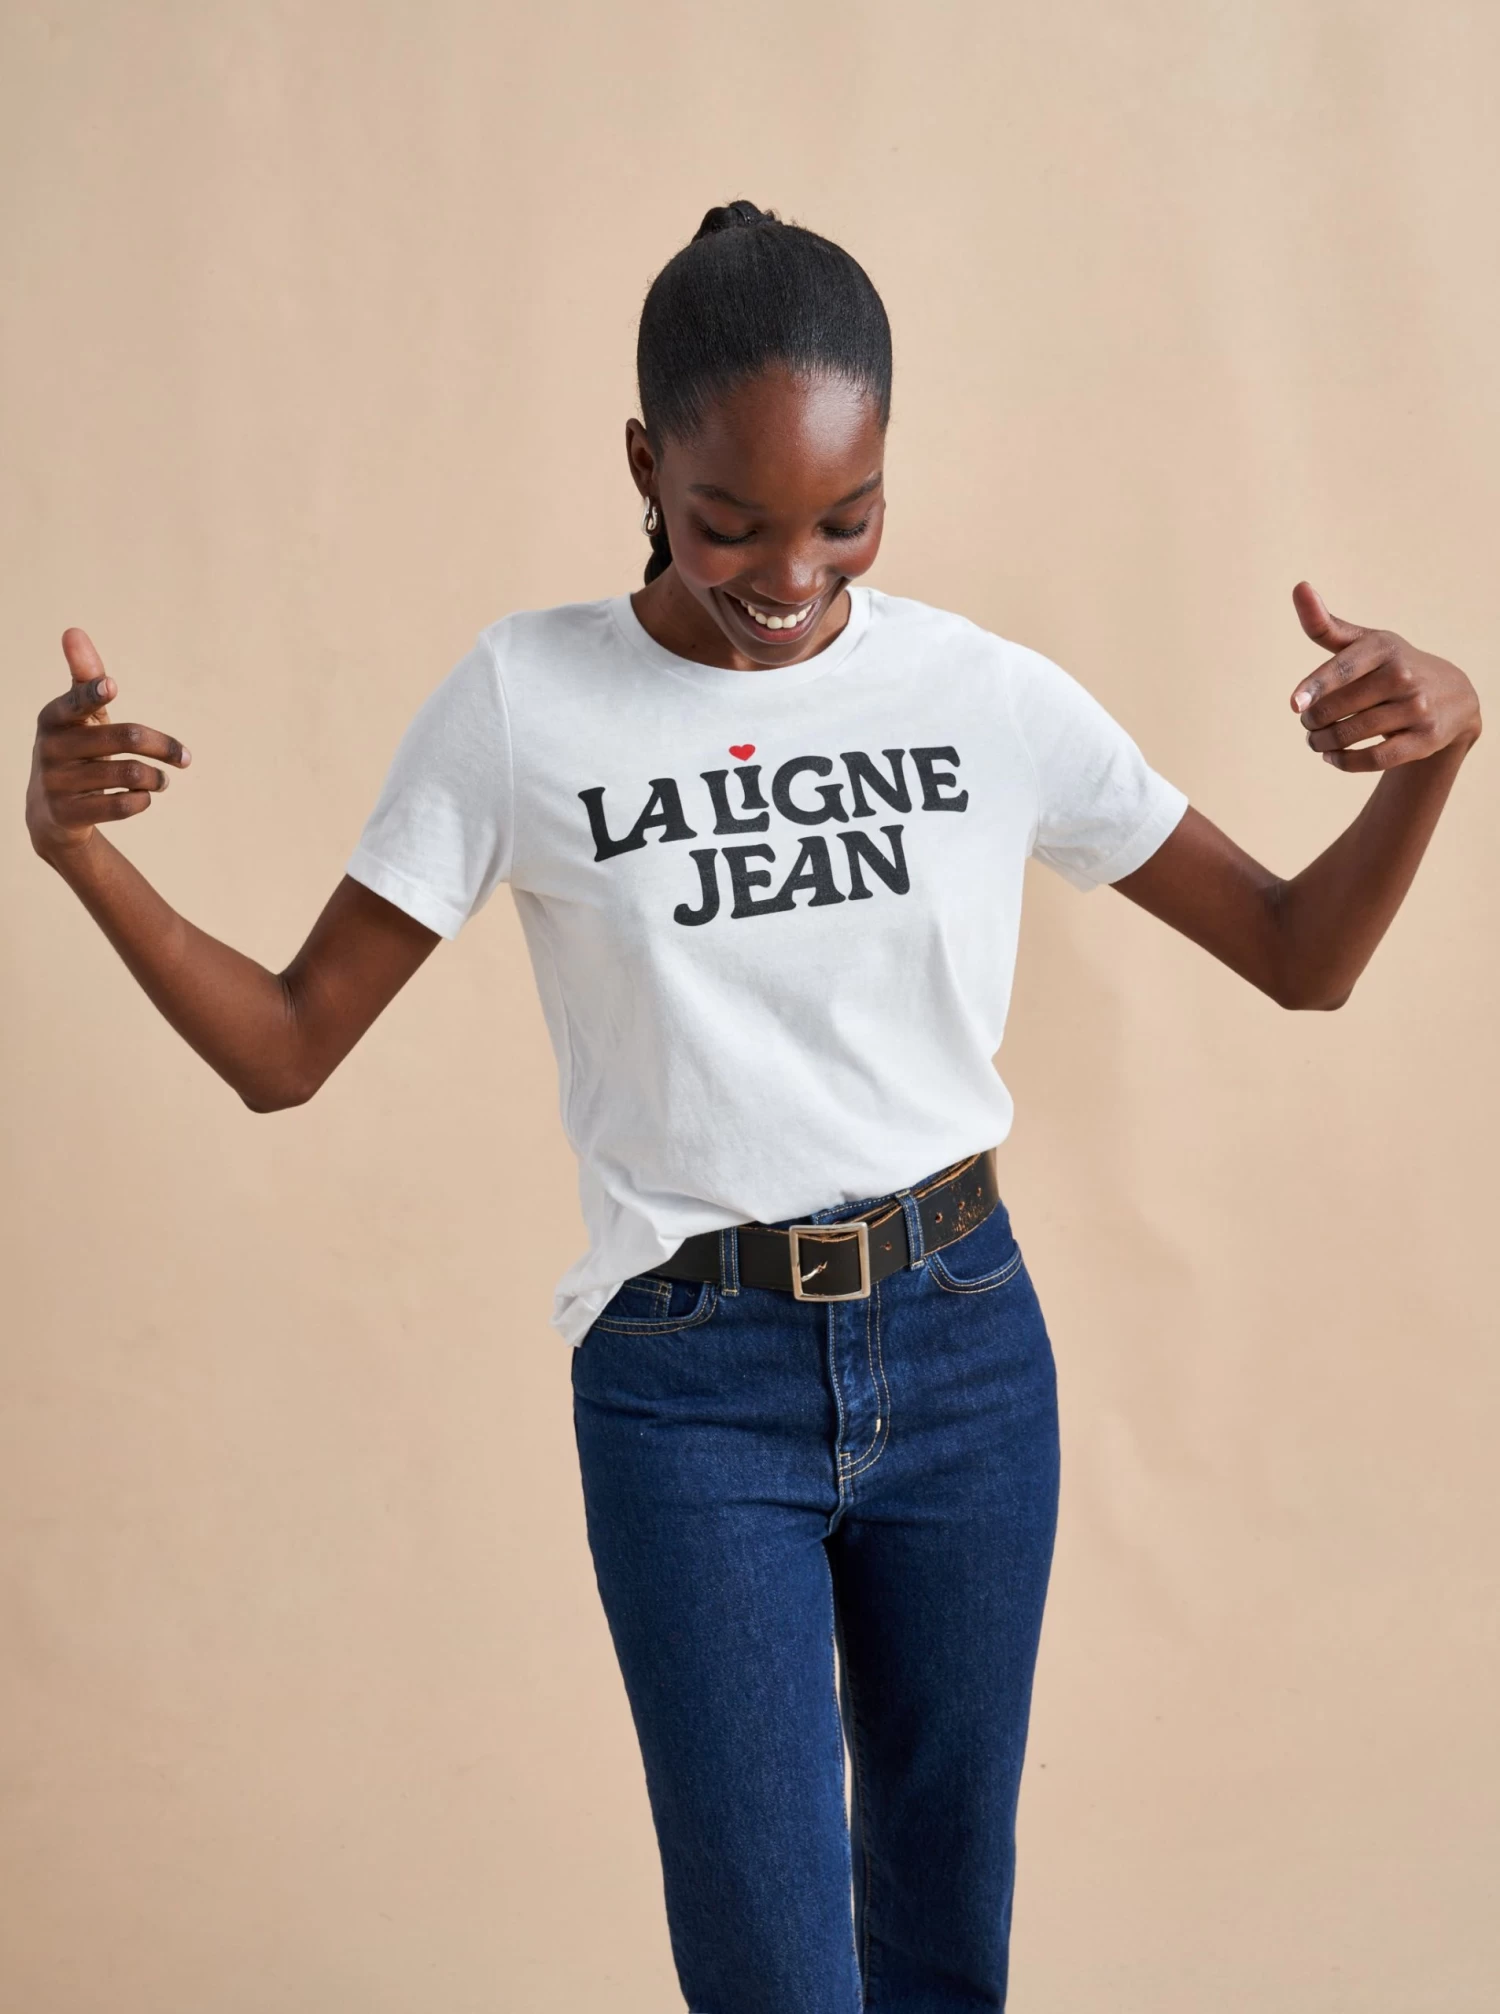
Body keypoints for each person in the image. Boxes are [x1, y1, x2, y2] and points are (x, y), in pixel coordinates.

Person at [25, 200, 1480, 2013]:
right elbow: (286, 1046)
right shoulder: (525, 700)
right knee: (776, 1973)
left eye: (846, 517)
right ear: (646, 463)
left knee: (945, 1943)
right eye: (732, 521)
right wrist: (81, 856)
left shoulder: (980, 693)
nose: (793, 573)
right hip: (690, 1386)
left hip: (964, 1347)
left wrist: (1436, 760)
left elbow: (1295, 952)